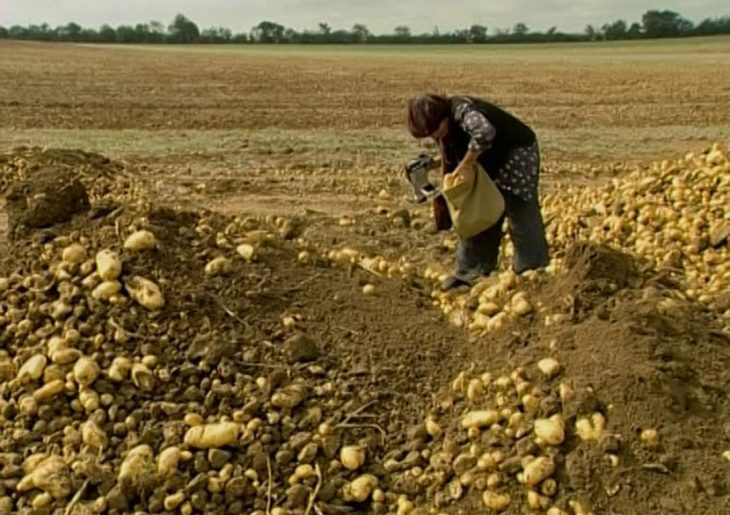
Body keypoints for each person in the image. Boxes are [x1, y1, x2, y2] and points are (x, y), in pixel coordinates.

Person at [406, 93, 549, 290]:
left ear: (444, 117)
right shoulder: (447, 127)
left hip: (516, 155)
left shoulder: (462, 110)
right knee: (478, 211)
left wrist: (466, 164)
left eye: (436, 131)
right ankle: (470, 271)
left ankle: (532, 270)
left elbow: (484, 133)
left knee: (520, 209)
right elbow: (463, 146)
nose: (435, 137)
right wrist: (433, 164)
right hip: (489, 159)